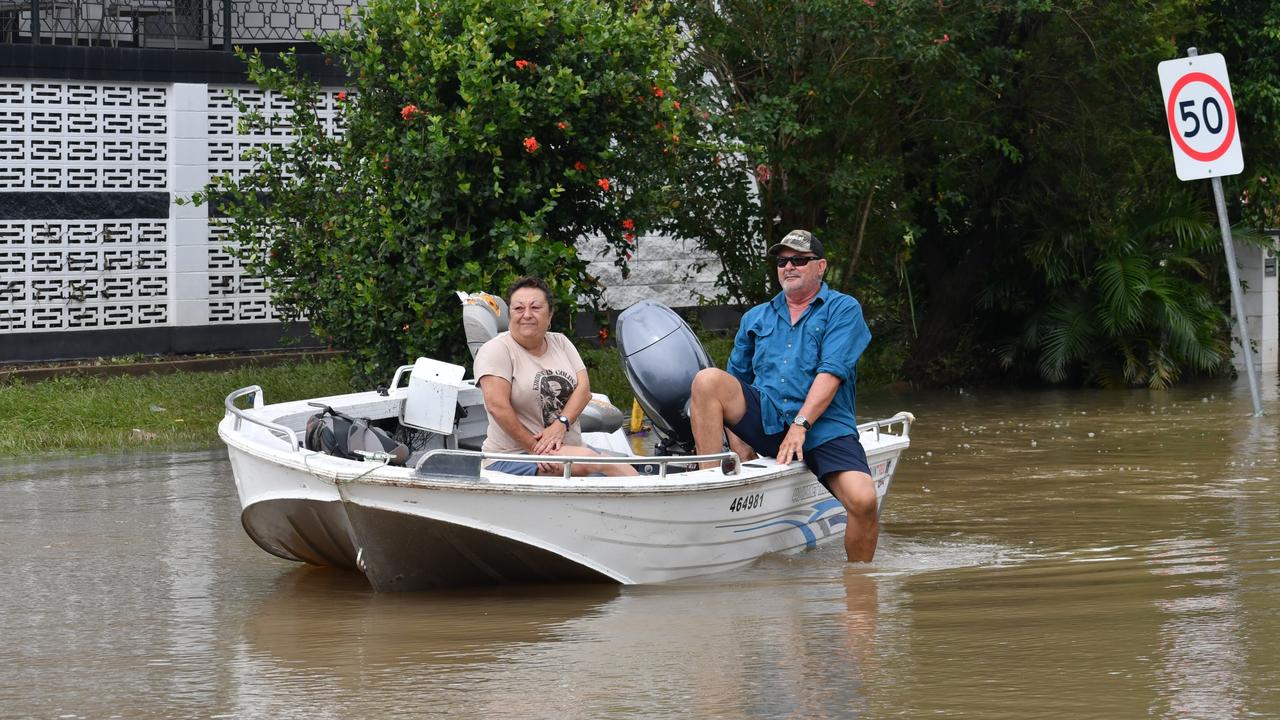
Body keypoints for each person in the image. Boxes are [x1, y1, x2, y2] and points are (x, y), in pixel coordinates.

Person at [689, 229, 877, 561]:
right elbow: (736, 382)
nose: (789, 267)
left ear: (820, 267)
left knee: (863, 502)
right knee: (707, 380)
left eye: (799, 260)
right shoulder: (756, 317)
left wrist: (801, 425)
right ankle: (709, 487)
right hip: (768, 420)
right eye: (782, 260)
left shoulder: (843, 309)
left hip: (823, 428)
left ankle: (859, 589)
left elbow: (831, 372)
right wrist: (737, 440)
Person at [474, 276, 637, 477]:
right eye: (518, 308)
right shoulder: (496, 350)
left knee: (624, 467)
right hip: (515, 456)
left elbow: (584, 390)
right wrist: (537, 451)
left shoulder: (561, 342)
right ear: (509, 315)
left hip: (569, 451)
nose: (527, 315)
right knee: (604, 466)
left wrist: (561, 424)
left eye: (535, 307)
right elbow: (497, 407)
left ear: (550, 315)